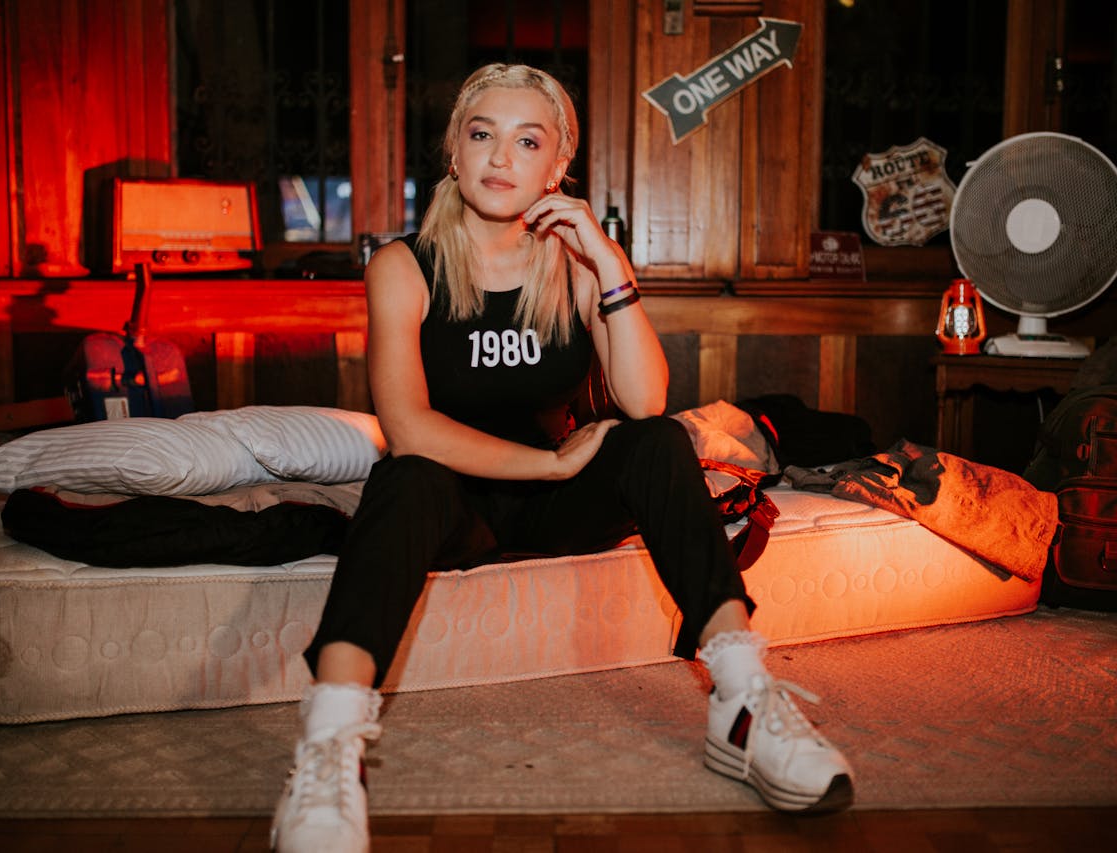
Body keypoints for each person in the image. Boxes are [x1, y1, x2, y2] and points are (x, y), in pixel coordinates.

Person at [271, 63, 853, 853]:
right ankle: (331, 746)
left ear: (557, 168)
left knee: (656, 438)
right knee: (401, 477)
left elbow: (645, 399)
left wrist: (610, 265)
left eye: (527, 140)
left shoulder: (576, 264)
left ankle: (744, 702)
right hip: (457, 499)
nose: (500, 157)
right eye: (481, 135)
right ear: (453, 150)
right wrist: (549, 463)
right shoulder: (403, 267)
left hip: (562, 504)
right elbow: (406, 428)